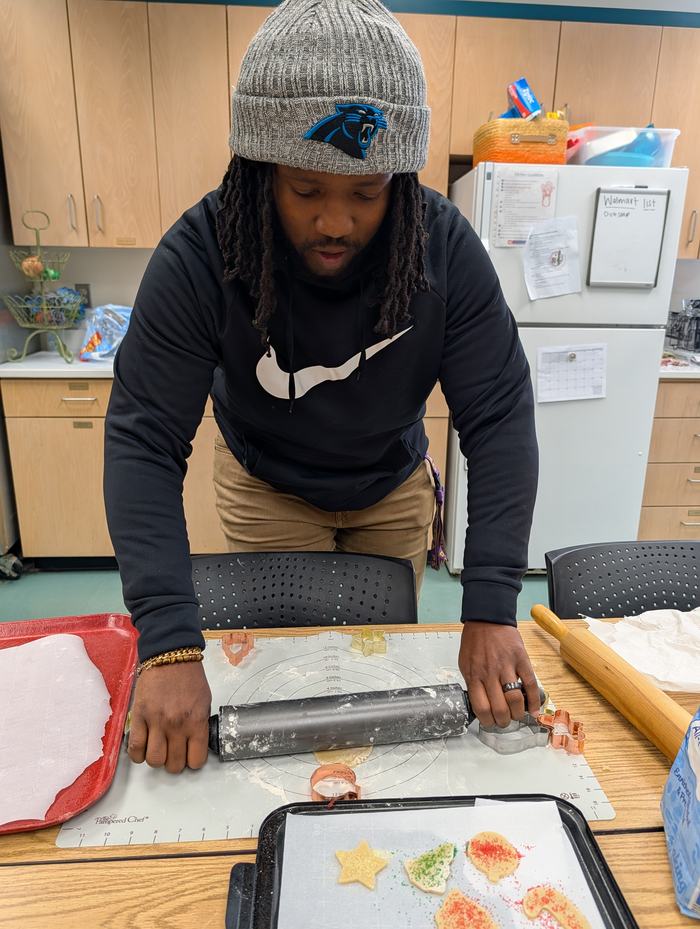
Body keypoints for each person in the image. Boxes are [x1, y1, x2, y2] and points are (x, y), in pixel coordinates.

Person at [105, 0, 539, 776]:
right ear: (258, 170)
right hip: (267, 483)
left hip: (392, 484)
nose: (335, 220)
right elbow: (142, 440)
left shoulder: (444, 251)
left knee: (379, 679)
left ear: (399, 183)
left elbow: (500, 415)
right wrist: (167, 640)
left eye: (367, 192)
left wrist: (490, 600)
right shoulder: (201, 255)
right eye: (306, 190)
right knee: (282, 682)